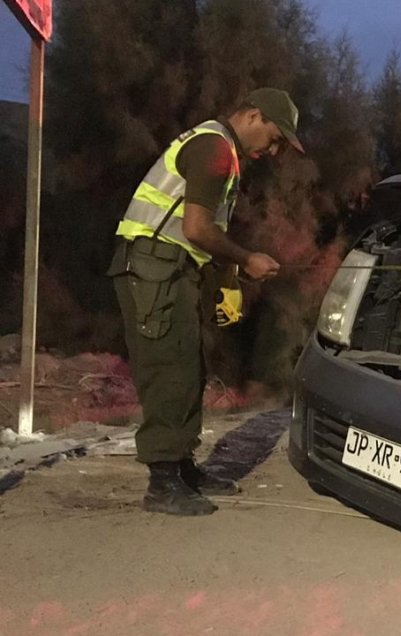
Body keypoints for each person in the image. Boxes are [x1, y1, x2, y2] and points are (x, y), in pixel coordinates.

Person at [107, 88, 303, 516]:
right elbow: (196, 228)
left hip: (168, 268)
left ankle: (181, 468)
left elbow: (196, 232)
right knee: (169, 370)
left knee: (188, 367)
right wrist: (245, 259)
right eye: (274, 139)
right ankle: (162, 483)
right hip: (154, 267)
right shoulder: (214, 148)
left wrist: (224, 276)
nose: (272, 151)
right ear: (253, 115)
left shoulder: (219, 148)